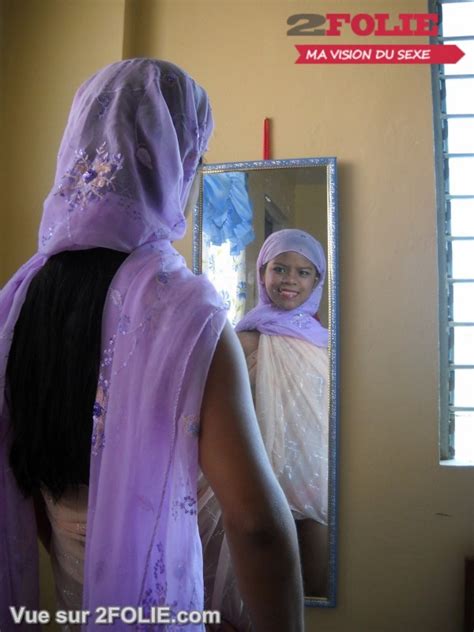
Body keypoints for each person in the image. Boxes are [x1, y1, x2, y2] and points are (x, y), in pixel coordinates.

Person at [0, 59, 304, 631]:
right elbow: (257, 528)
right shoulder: (187, 314)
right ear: (176, 161)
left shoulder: (18, 304)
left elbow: (32, 492)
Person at [235, 229, 329, 597]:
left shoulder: (325, 343)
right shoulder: (245, 339)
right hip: (261, 467)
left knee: (315, 571)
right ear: (262, 274)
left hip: (312, 469)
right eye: (280, 269)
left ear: (317, 281)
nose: (290, 279)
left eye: (303, 272)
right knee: (265, 575)